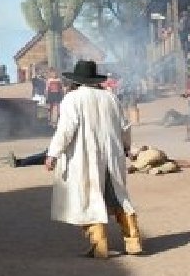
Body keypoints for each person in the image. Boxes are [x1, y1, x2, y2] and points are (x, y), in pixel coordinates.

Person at [44, 60, 142, 258]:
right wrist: (126, 147)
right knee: (118, 196)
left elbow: (66, 129)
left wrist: (53, 153)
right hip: (111, 156)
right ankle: (133, 241)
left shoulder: (72, 99)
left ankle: (99, 245)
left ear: (76, 80)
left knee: (88, 197)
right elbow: (125, 127)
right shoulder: (111, 97)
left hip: (85, 157)